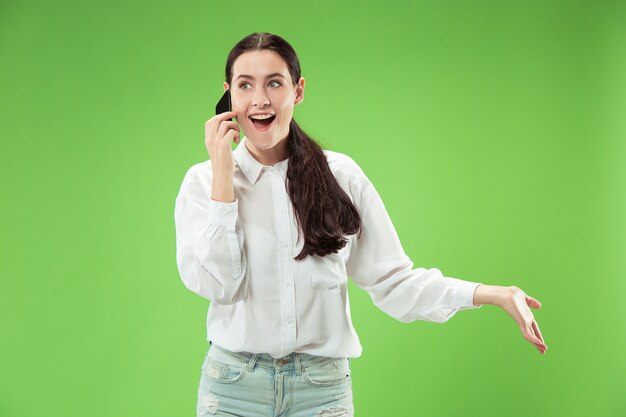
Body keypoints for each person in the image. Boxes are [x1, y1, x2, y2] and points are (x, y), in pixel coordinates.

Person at [174, 32, 547, 417]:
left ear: (298, 91)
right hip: (233, 390)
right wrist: (223, 175)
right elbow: (220, 285)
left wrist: (492, 294)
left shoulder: (340, 176)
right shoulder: (202, 183)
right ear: (228, 95)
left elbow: (394, 281)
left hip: (321, 393)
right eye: (245, 85)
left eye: (274, 83)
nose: (260, 99)